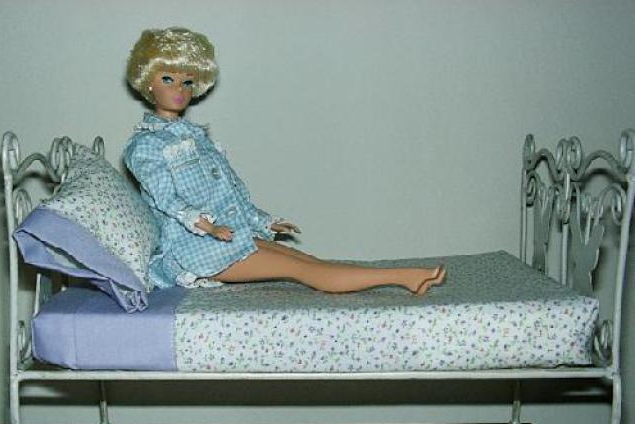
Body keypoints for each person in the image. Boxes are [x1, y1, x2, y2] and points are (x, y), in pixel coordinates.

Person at [124, 27, 446, 294]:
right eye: (168, 79)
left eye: (187, 81)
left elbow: (228, 195)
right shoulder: (146, 146)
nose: (180, 89)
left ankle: (407, 278)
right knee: (303, 271)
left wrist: (263, 221)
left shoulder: (197, 139)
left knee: (308, 260)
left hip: (228, 235)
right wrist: (207, 225)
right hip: (197, 248)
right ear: (148, 81)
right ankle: (402, 277)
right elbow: (167, 199)